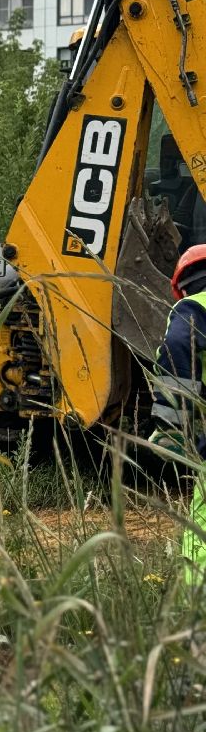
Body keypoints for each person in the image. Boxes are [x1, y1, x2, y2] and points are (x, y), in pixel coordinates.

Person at [150, 244, 206, 581]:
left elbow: (176, 347)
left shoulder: (194, 306)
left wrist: (172, 423)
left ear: (184, 285)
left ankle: (195, 615)